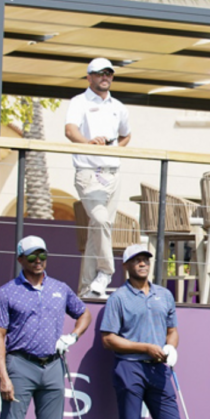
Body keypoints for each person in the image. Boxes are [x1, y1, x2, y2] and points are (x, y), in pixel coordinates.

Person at [100, 244, 210, 419]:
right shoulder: (118, 298)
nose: (142, 263)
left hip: (159, 370)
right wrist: (144, 347)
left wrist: (171, 347)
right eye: (136, 260)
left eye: (145, 259)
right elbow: (108, 339)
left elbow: (172, 329)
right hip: (130, 368)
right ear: (126, 266)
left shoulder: (164, 295)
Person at [0, 236, 92, 419]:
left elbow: (84, 314)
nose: (38, 262)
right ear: (20, 259)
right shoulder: (7, 292)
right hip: (20, 364)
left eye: (42, 256)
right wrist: (3, 376)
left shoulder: (60, 288)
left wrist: (72, 336)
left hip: (53, 366)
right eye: (32, 257)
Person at [65, 57, 131, 299]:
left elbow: (126, 135)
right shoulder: (78, 102)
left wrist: (115, 150)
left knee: (98, 229)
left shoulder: (119, 106)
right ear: (89, 77)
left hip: (113, 175)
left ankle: (87, 289)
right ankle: (106, 272)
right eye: (100, 73)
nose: (105, 77)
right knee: (101, 222)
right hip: (88, 174)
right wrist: (88, 144)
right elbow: (70, 130)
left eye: (109, 73)